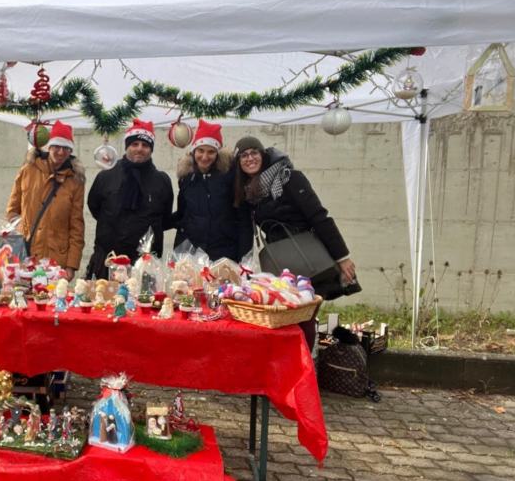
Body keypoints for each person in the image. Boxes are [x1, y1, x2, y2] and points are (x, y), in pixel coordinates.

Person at [233, 135, 357, 346]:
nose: (249, 158)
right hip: (281, 263)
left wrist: (342, 256)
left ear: (263, 154)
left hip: (305, 255)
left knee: (304, 318)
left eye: (254, 152)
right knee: (287, 319)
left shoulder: (289, 178)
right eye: (243, 155)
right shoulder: (250, 192)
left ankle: (306, 364)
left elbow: (319, 216)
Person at [85, 118, 174, 279]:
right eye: (134, 144)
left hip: (145, 264)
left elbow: (164, 218)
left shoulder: (162, 180)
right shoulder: (106, 176)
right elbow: (94, 207)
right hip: (107, 260)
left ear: (151, 149)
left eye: (145, 145)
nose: (139, 149)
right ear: (127, 146)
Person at [6, 120, 85, 281]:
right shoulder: (28, 170)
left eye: (66, 148)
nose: (61, 152)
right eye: (56, 146)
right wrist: (21, 231)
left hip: (56, 262)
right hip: (26, 256)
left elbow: (76, 226)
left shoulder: (75, 181)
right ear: (49, 147)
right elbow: (12, 211)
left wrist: (71, 266)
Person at [172, 119, 252, 261]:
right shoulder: (186, 178)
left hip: (224, 254)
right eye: (200, 151)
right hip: (193, 254)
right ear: (193, 151)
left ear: (217, 153)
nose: (204, 157)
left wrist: (244, 259)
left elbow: (243, 220)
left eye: (211, 152)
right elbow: (183, 216)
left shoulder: (231, 176)